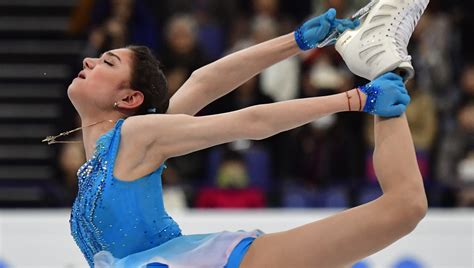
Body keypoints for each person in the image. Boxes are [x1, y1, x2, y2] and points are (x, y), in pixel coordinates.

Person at [49, 8, 427, 268]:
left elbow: (251, 121)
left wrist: (356, 99)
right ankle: (380, 65)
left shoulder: (135, 134)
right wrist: (296, 41)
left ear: (130, 99)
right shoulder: (114, 149)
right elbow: (202, 83)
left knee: (404, 207)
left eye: (106, 62)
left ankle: (382, 62)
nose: (88, 61)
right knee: (403, 208)